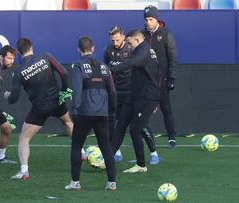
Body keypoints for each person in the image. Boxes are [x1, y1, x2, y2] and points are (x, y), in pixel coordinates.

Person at [4, 38, 73, 180]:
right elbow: (64, 73)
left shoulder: (18, 72)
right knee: (68, 122)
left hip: (40, 108)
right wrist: (64, 90)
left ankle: (24, 171)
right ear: (32, 48)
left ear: (18, 53)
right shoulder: (46, 57)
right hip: (56, 101)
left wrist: (7, 95)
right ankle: (82, 152)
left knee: (24, 138)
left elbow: (14, 99)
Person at [65, 36, 116, 191]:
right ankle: (112, 183)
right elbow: (112, 91)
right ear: (93, 48)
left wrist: (74, 109)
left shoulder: (78, 66)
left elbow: (77, 90)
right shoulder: (104, 67)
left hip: (85, 113)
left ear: (78, 50)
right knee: (106, 147)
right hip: (102, 113)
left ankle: (75, 183)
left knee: (76, 146)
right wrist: (112, 111)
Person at [104, 26, 159, 164]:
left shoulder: (141, 50)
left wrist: (153, 102)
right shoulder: (109, 51)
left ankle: (150, 156)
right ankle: (110, 157)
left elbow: (136, 63)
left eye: (129, 43)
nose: (115, 43)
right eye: (112, 40)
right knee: (119, 124)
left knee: (138, 127)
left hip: (142, 95)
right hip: (126, 94)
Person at [143, 5, 178, 148]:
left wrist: (172, 78)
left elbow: (173, 58)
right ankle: (145, 139)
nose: (148, 22)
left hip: (162, 80)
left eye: (150, 19)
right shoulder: (141, 35)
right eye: (146, 19)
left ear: (156, 19)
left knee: (166, 108)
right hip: (146, 80)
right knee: (143, 110)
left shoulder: (166, 35)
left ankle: (172, 137)